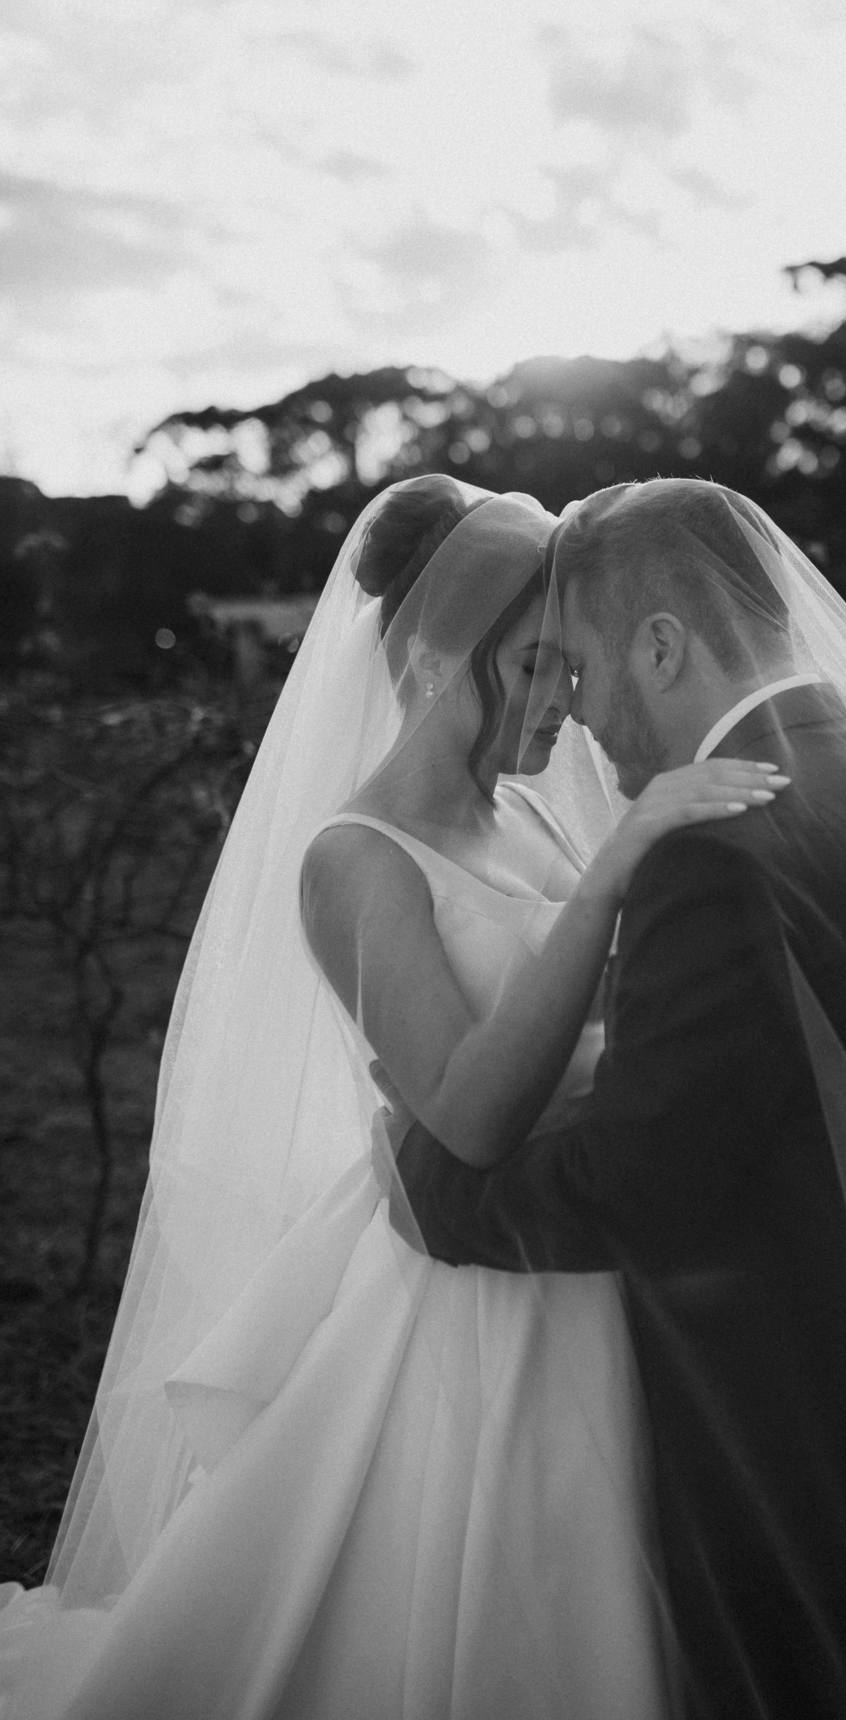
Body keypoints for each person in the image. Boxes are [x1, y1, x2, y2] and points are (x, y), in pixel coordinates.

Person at [0, 474, 783, 1720]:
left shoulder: (530, 819)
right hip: (468, 1299)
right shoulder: (356, 860)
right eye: (531, 666)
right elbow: (466, 1117)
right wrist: (621, 870)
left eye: (569, 665)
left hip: (586, 1244)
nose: (564, 701)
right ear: (430, 660)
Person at [387, 478, 846, 1720]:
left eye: (581, 668)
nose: (578, 715)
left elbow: (648, 1185)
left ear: (662, 647)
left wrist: (433, 1186)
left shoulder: (714, 850)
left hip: (784, 1423)